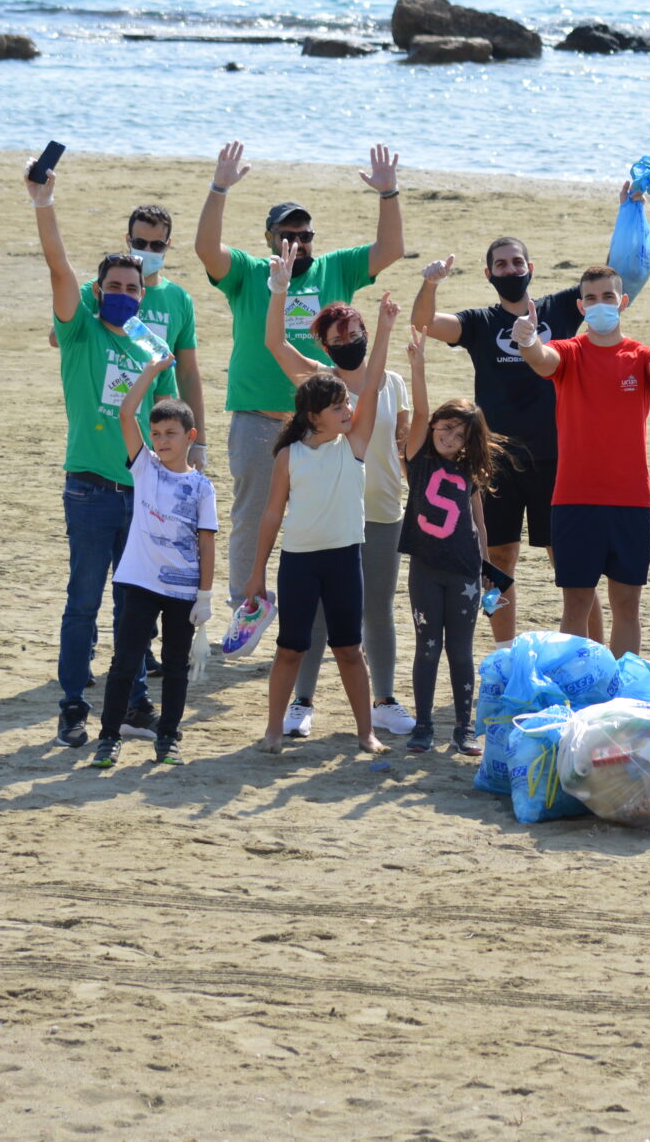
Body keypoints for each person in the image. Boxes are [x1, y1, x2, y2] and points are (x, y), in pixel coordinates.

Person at [409, 193, 642, 645]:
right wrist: (431, 284)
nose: (510, 269)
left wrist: (628, 210)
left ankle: (590, 652)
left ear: (530, 268)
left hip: (559, 458)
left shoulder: (560, 308)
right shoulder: (479, 322)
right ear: (489, 274)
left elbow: (614, 274)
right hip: (494, 460)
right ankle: (504, 650)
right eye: (501, 264)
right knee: (498, 558)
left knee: (571, 564)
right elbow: (423, 323)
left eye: (517, 262)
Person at [193, 139, 402, 641]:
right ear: (269, 238)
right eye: (288, 234)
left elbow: (390, 250)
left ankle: (319, 615)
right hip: (258, 416)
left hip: (323, 424)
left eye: (305, 235)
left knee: (322, 517)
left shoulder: (335, 268)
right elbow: (206, 250)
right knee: (253, 515)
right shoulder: (249, 272)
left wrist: (388, 194)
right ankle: (247, 608)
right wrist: (219, 188)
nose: (298, 242)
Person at [28, 161, 165, 749]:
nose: (124, 295)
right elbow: (59, 267)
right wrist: (44, 203)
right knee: (83, 602)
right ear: (98, 291)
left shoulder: (152, 347)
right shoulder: (80, 331)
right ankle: (72, 707)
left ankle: (134, 703)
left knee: (135, 606)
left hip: (140, 490)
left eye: (133, 289)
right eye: (114, 287)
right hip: (87, 489)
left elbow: (165, 423)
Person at [260, 244, 414, 742]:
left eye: (354, 331)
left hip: (382, 509)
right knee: (318, 617)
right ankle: (302, 703)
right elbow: (274, 343)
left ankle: (384, 702)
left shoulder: (391, 382)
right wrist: (279, 290)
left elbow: (403, 444)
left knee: (377, 610)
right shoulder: (321, 384)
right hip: (328, 519)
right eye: (338, 336)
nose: (349, 340)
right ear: (325, 346)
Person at [516, 266, 650, 655]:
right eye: (591, 299)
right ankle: (577, 681)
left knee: (627, 606)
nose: (600, 305)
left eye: (608, 297)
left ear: (622, 302)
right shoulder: (569, 352)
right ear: (581, 307)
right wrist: (527, 340)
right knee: (576, 605)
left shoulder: (640, 355)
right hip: (574, 500)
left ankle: (622, 685)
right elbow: (542, 359)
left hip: (631, 501)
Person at [89, 351, 216, 769]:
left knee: (176, 667)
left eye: (171, 433)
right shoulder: (144, 466)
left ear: (190, 436)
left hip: (183, 589)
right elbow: (126, 413)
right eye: (156, 433)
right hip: (140, 582)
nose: (162, 440)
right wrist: (152, 370)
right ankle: (108, 738)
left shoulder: (202, 488)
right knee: (125, 663)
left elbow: (207, 543)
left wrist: (205, 596)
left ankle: (168, 738)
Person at [398, 324, 504, 755]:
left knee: (461, 651)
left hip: (464, 572)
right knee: (427, 648)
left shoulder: (469, 470)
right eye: (445, 428)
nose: (449, 437)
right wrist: (418, 366)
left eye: (460, 435)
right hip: (425, 569)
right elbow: (420, 412)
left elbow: (478, 523)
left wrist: (486, 568)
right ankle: (423, 725)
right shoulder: (417, 458)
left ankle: (463, 728)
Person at [63, 204, 206, 468]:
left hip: (153, 424)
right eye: (140, 243)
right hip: (103, 419)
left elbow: (187, 373)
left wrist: (199, 442)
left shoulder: (179, 299)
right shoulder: (101, 289)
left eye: (157, 245)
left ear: (168, 245)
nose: (148, 250)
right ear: (128, 240)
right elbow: (58, 336)